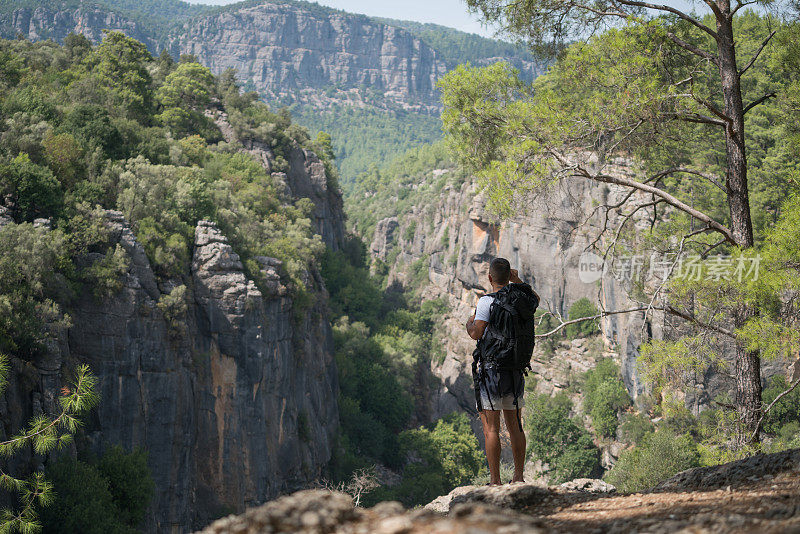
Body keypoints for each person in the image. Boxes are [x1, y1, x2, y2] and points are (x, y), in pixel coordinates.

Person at [466, 257, 538, 486]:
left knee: (491, 429)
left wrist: (470, 321)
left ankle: (495, 481)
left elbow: (476, 333)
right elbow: (535, 299)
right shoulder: (522, 300)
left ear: (489, 278)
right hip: (515, 370)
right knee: (515, 425)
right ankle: (518, 477)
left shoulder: (486, 302)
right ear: (510, 276)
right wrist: (517, 281)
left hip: (491, 371)